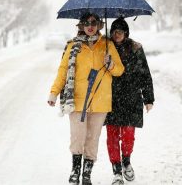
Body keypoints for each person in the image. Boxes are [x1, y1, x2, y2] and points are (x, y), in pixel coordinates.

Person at [47, 13, 124, 185]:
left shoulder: (107, 45)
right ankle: (75, 171)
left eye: (94, 23)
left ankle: (87, 174)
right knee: (77, 137)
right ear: (81, 25)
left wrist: (110, 63)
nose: (90, 26)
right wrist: (54, 92)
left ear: (99, 25)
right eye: (87, 23)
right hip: (77, 100)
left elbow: (119, 70)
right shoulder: (73, 46)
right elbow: (63, 71)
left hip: (100, 101)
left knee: (92, 138)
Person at [104, 17, 155, 185]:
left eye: (120, 31)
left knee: (128, 135)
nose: (116, 34)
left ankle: (126, 161)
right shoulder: (105, 48)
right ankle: (116, 170)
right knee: (112, 136)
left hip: (131, 98)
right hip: (110, 98)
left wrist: (148, 98)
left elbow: (145, 74)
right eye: (114, 31)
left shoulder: (135, 49)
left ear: (126, 33)